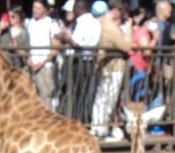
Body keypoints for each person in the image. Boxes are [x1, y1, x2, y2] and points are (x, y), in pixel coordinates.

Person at [56, 0, 101, 122]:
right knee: (81, 93)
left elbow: (78, 42)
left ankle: (76, 121)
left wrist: (66, 37)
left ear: (79, 8)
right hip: (86, 61)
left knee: (76, 93)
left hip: (80, 62)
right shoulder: (94, 22)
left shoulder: (84, 22)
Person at [92, 0, 131, 140]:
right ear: (116, 11)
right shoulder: (110, 27)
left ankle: (97, 128)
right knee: (109, 99)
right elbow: (126, 46)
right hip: (114, 66)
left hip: (104, 65)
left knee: (101, 97)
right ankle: (100, 129)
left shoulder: (100, 21)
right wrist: (129, 28)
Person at [25, 0, 62, 110]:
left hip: (45, 66)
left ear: (45, 10)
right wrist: (29, 59)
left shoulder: (51, 24)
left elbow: (56, 47)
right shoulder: (29, 23)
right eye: (33, 7)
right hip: (31, 64)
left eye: (38, 8)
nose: (34, 10)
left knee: (45, 96)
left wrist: (42, 62)